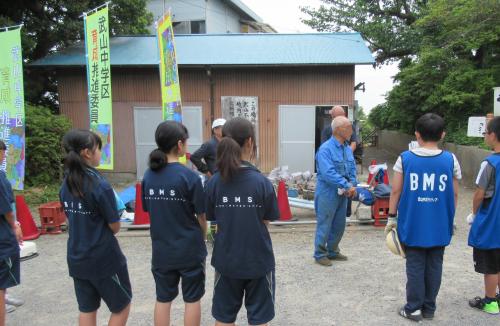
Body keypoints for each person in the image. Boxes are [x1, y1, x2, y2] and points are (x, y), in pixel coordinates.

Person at [386, 113, 461, 322]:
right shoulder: (450, 159)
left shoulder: (405, 158)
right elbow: (454, 193)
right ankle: (429, 308)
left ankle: (413, 308)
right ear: (442, 135)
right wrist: (450, 218)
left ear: (417, 135)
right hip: (440, 224)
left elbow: (395, 191)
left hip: (412, 223)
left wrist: (391, 217)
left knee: (415, 266)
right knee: (435, 265)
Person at [205, 117, 279, 326]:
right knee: (259, 319)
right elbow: (266, 220)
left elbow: (213, 218)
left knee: (224, 318)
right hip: (258, 261)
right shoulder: (262, 183)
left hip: (226, 260)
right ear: (249, 142)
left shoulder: (214, 183)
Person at [60, 130, 131, 326]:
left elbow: (69, 219)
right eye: (99, 148)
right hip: (103, 259)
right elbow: (115, 226)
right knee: (121, 306)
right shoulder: (99, 184)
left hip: (76, 257)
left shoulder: (66, 183)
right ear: (87, 153)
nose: (101, 152)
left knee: (87, 309)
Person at [141, 121, 207, 326]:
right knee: (192, 299)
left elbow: (147, 209)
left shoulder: (149, 176)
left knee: (163, 298)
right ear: (180, 145)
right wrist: (202, 237)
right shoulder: (190, 177)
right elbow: (201, 217)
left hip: (161, 250)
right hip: (188, 248)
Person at [314, 116, 357, 266]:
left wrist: (352, 184)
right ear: (339, 130)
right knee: (325, 223)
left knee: (339, 224)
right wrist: (346, 185)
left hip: (343, 193)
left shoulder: (347, 148)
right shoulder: (325, 149)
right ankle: (320, 254)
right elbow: (328, 173)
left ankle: (332, 251)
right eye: (349, 127)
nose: (352, 130)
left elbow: (352, 169)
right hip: (328, 192)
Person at [468, 116, 500, 315]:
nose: (485, 136)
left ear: (493, 135)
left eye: (486, 133)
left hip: (492, 224)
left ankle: (490, 302)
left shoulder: (490, 164)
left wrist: (473, 214)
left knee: (491, 265)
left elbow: (479, 194)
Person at [0, 140, 22, 326]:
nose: (5, 155)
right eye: (3, 152)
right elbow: (7, 210)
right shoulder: (0, 178)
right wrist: (15, 225)